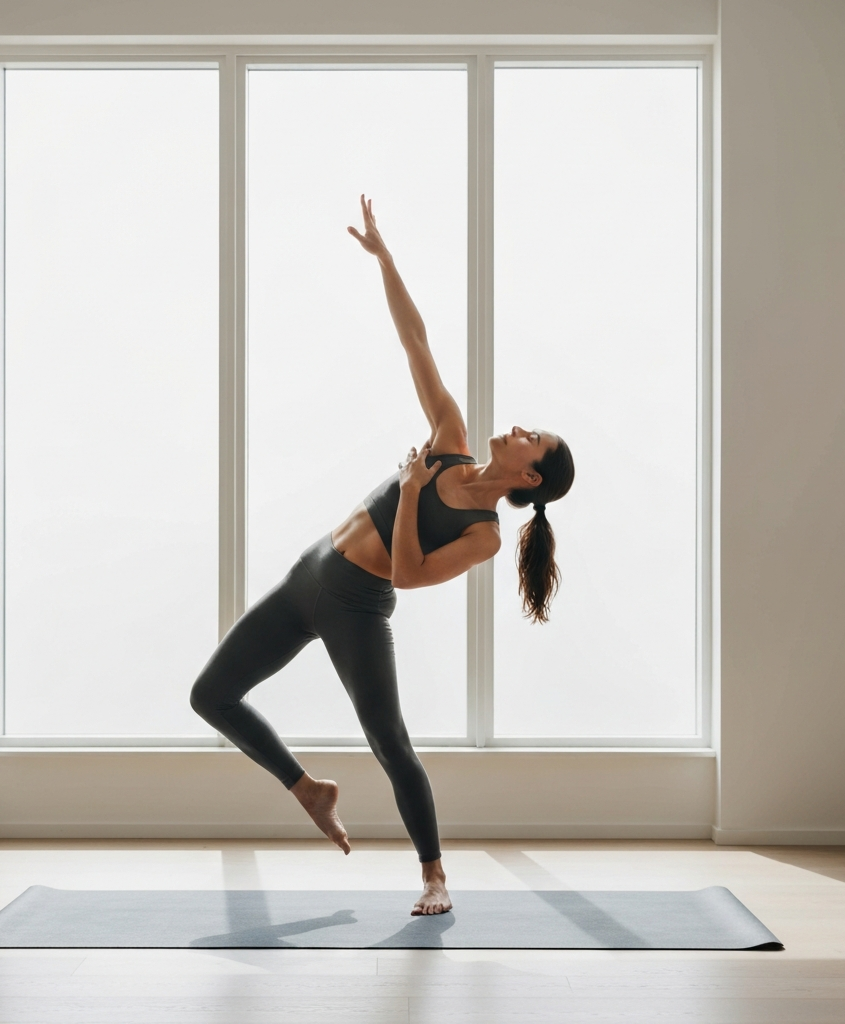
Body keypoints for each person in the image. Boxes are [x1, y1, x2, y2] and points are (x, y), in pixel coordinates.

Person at [191, 195, 575, 916]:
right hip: (308, 574)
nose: (519, 428)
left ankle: (435, 877)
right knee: (210, 695)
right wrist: (386, 259)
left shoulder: (485, 535)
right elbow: (416, 342)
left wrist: (407, 493)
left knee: (391, 743)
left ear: (530, 476)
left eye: (534, 439)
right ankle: (308, 789)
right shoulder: (450, 435)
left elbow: (405, 574)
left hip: (356, 607)